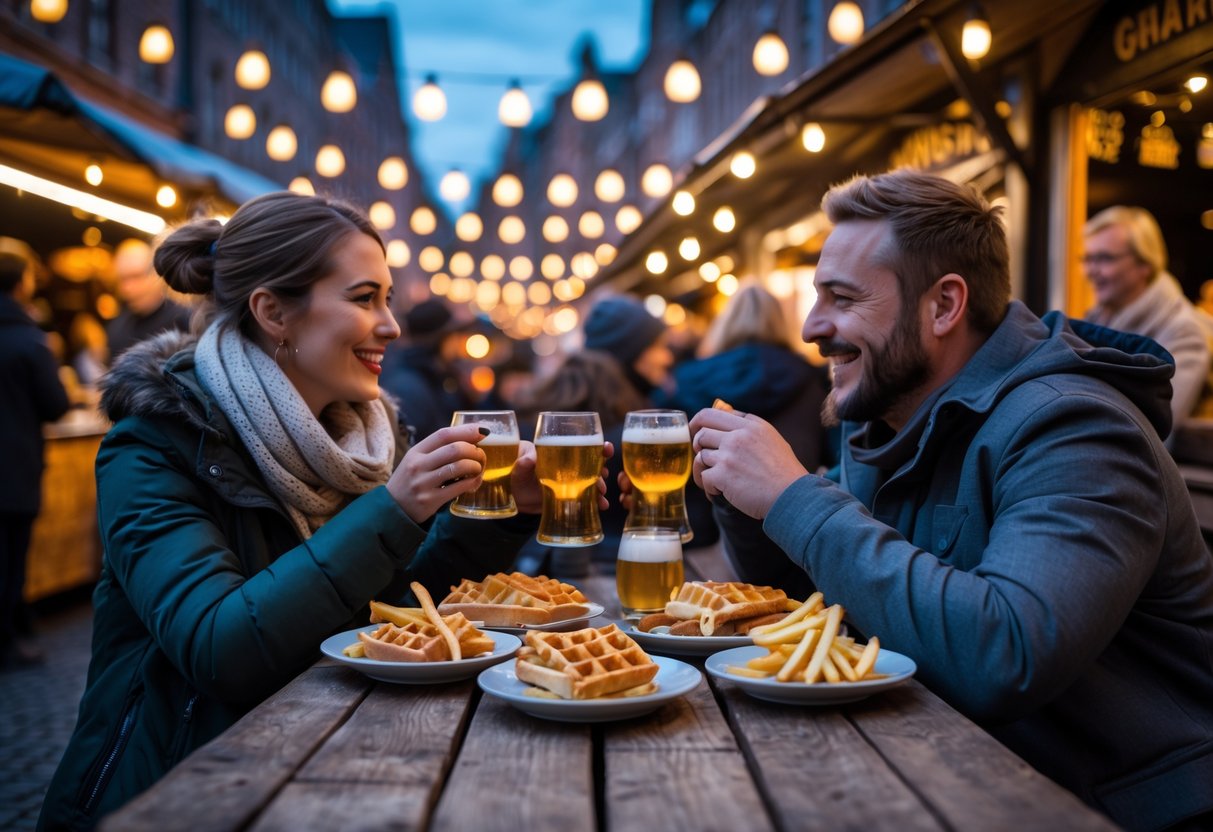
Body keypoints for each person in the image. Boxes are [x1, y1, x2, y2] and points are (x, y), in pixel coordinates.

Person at [39, 192, 614, 830]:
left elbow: (402, 607)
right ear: (273, 311)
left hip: (333, 760)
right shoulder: (154, 444)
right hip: (180, 790)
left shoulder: (368, 442)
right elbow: (219, 648)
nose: (392, 325)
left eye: (388, 299)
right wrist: (393, 510)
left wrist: (503, 513)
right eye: (364, 298)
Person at [688, 170, 1213, 831]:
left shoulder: (1075, 429)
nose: (812, 327)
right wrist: (748, 499)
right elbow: (810, 602)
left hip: (1109, 806)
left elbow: (1003, 654)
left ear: (942, 307)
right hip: (949, 777)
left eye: (841, 298)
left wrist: (792, 494)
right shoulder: (891, 418)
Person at [0, 246, 70, 668]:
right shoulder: (28, 339)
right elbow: (56, 404)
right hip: (14, 468)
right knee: (11, 557)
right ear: (22, 282)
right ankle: (9, 640)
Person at [1082, 206, 1211, 433]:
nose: (1090, 271)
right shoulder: (1096, 320)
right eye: (1088, 259)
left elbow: (1155, 431)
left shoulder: (1183, 331)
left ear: (1145, 264)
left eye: (1104, 258)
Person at [379, 298, 473, 441]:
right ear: (441, 340)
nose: (458, 344)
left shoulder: (437, 378)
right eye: (454, 336)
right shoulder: (407, 388)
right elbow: (404, 449)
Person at [105, 237, 192, 360]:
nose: (127, 288)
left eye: (136, 276)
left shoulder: (186, 320)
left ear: (155, 273)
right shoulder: (116, 330)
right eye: (121, 280)